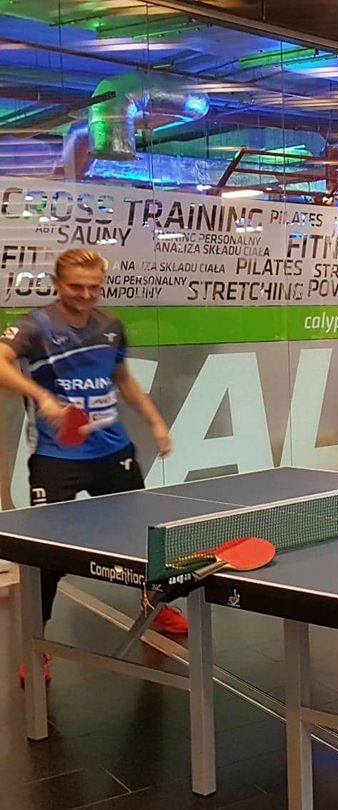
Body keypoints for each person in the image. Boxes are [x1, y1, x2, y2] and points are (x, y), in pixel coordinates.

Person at [0, 249, 182, 684]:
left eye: (94, 287)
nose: (85, 295)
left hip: (112, 453)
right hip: (56, 459)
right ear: (56, 283)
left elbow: (122, 379)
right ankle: (37, 643)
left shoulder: (110, 326)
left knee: (143, 541)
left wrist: (156, 421)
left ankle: (153, 606)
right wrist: (42, 397)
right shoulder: (35, 327)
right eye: (76, 287)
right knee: (46, 557)